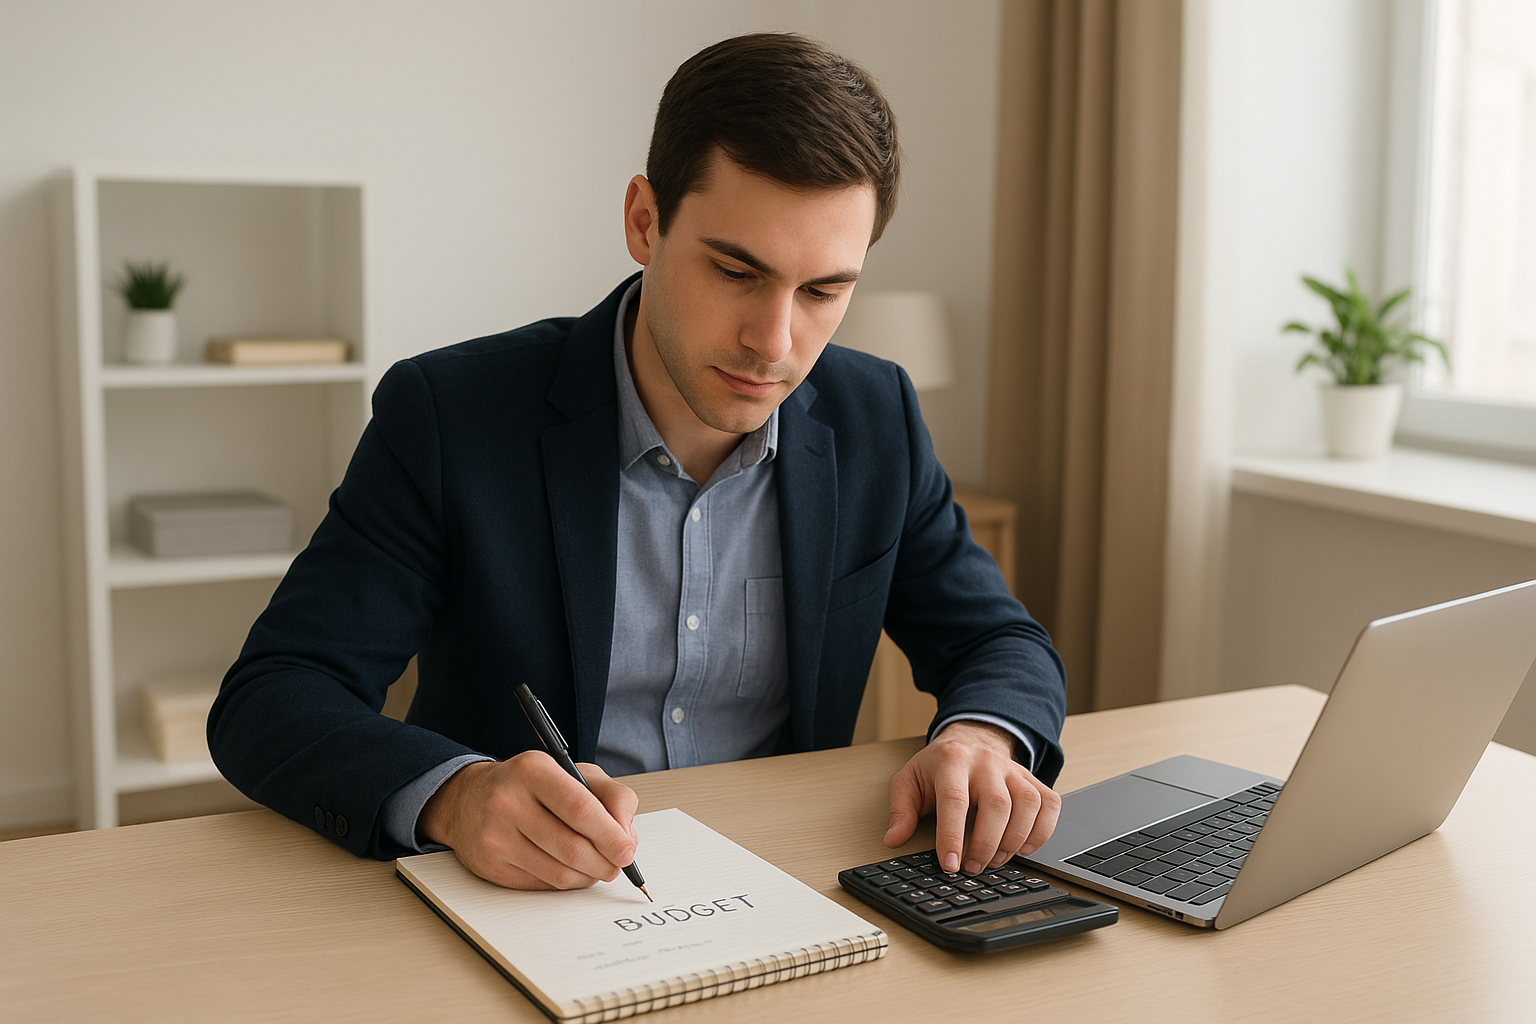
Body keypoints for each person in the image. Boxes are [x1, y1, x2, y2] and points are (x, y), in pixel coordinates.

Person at [209, 32, 1067, 892]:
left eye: (822, 292)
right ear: (644, 222)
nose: (774, 344)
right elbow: (276, 693)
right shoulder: (450, 415)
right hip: (520, 903)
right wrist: (456, 797)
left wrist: (979, 741)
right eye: (737, 271)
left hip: (785, 888)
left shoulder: (876, 416)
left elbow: (997, 639)